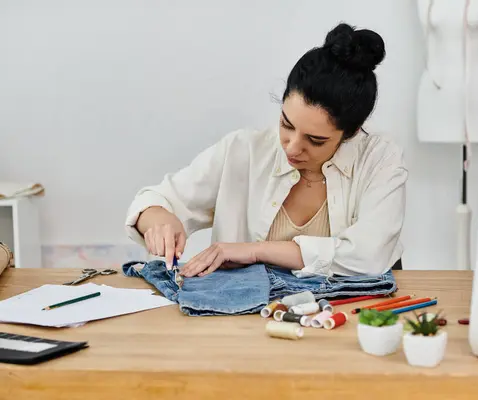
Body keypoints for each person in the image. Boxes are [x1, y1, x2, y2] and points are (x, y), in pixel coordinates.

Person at [125, 22, 408, 279]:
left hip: (351, 317)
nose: (292, 146)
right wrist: (159, 218)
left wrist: (254, 251)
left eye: (316, 140)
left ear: (351, 132)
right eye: (286, 124)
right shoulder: (244, 151)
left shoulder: (379, 159)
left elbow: (367, 256)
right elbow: (155, 199)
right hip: (250, 322)